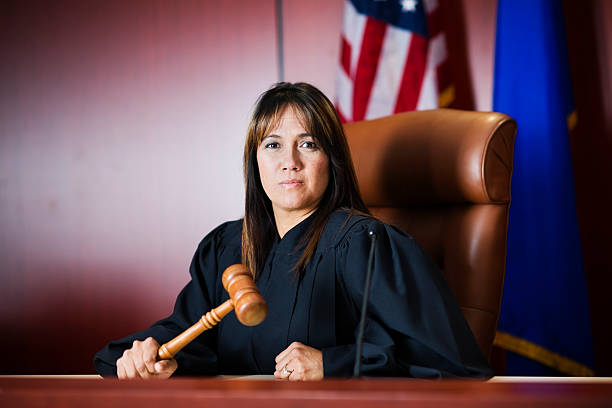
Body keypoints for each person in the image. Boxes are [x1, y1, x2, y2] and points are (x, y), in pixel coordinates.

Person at [94, 82, 492, 380]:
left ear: (331, 159)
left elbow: (447, 360)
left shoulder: (366, 245)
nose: (289, 162)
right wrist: (149, 357)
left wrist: (330, 363)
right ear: (255, 161)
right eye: (272, 145)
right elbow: (191, 335)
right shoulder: (227, 247)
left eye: (308, 144)